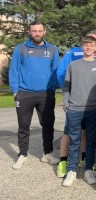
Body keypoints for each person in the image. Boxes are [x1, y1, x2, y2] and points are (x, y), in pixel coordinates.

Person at [9, 21, 60, 170]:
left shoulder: (52, 50)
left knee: (48, 125)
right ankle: (22, 155)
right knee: (24, 127)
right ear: (29, 32)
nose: (37, 33)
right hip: (24, 94)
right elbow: (14, 71)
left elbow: (56, 71)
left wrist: (52, 88)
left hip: (46, 94)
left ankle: (47, 153)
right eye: (34, 31)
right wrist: (15, 91)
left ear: (44, 32)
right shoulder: (21, 49)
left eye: (40, 31)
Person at [56, 31, 96, 178]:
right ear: (82, 46)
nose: (88, 47)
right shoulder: (73, 65)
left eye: (91, 45)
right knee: (74, 141)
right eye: (86, 44)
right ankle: (71, 170)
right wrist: (67, 105)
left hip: (93, 109)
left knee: (90, 141)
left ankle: (89, 169)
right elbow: (66, 87)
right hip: (75, 109)